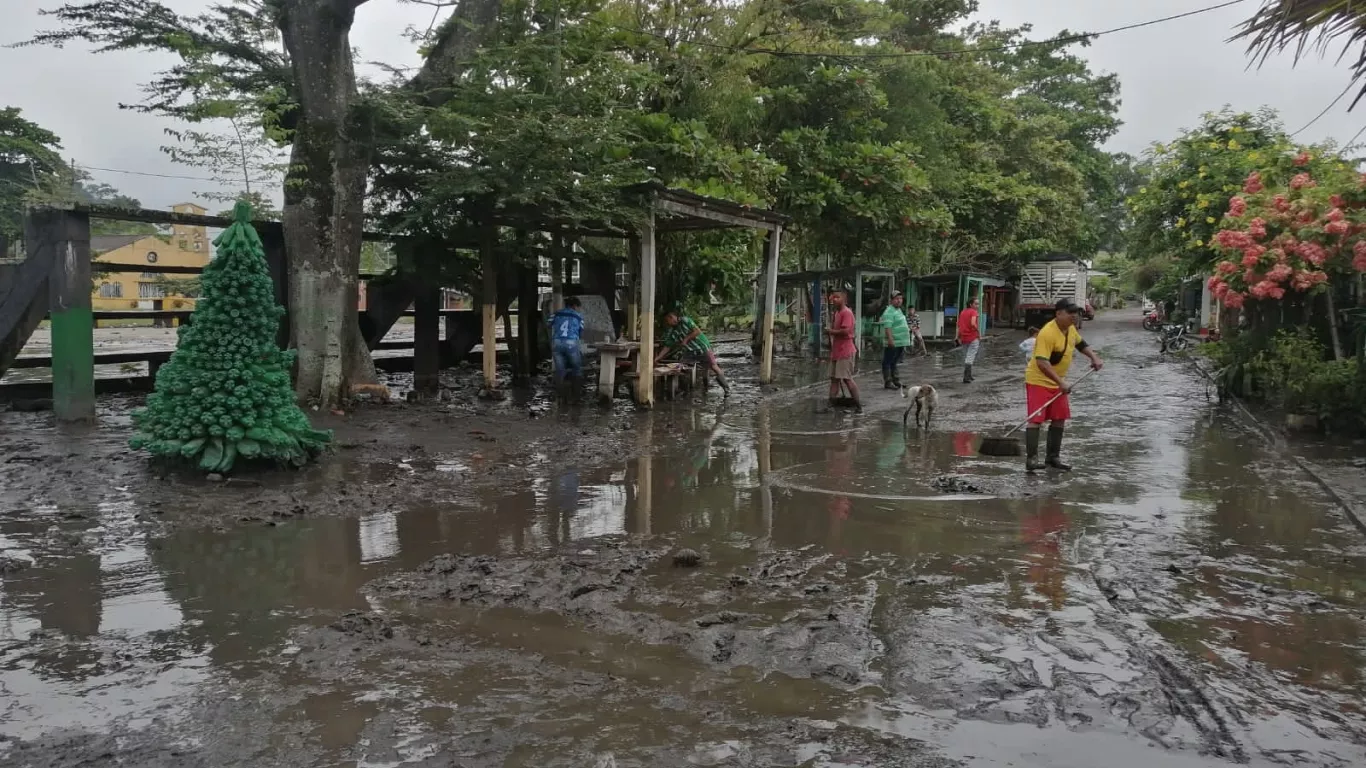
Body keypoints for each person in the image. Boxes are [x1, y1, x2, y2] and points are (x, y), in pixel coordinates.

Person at [1023, 298, 1103, 472]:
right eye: (1070, 313)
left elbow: (1081, 344)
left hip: (1058, 381)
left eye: (1076, 313)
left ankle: (1053, 457)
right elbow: (1042, 362)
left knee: (1059, 419)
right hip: (1039, 380)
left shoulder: (1070, 329)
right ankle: (1032, 460)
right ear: (1058, 314)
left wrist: (1094, 357)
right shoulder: (1047, 333)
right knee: (1036, 419)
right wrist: (1060, 383)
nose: (1074, 316)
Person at [656, 306, 731, 396]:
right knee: (680, 368)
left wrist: (686, 339)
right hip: (690, 352)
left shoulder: (685, 320)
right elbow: (667, 347)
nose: (667, 323)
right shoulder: (673, 331)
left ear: (671, 317)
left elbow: (697, 331)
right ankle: (685, 391)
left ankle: (726, 389)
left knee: (714, 367)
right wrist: (657, 358)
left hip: (702, 347)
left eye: (667, 321)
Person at [827, 289, 861, 411]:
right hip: (837, 350)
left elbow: (846, 331)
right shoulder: (837, 313)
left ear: (844, 299)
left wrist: (831, 332)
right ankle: (830, 404)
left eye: (837, 297)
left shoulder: (847, 313)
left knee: (847, 379)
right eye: (833, 297)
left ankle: (858, 405)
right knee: (834, 379)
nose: (834, 299)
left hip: (845, 351)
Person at [549, 296, 585, 389]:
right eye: (578, 307)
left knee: (560, 370)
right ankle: (576, 392)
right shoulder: (578, 316)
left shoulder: (556, 314)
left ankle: (560, 393)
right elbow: (581, 331)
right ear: (574, 306)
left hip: (556, 342)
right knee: (576, 368)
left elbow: (548, 323)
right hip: (571, 342)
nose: (578, 309)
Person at [879, 291, 912, 389]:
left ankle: (896, 380)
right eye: (896, 299)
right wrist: (890, 340)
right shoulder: (889, 311)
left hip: (900, 342)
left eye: (900, 299)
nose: (899, 301)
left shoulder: (898, 310)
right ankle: (888, 382)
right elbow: (888, 327)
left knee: (894, 361)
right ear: (891, 300)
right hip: (894, 341)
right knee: (888, 361)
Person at [957, 296, 981, 383]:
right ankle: (966, 377)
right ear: (971, 304)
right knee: (970, 356)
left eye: (978, 303)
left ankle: (969, 375)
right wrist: (978, 331)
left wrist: (958, 336)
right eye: (976, 304)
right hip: (973, 337)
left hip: (964, 337)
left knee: (967, 356)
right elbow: (973, 323)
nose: (977, 305)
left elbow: (959, 326)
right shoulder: (974, 312)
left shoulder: (963, 312)